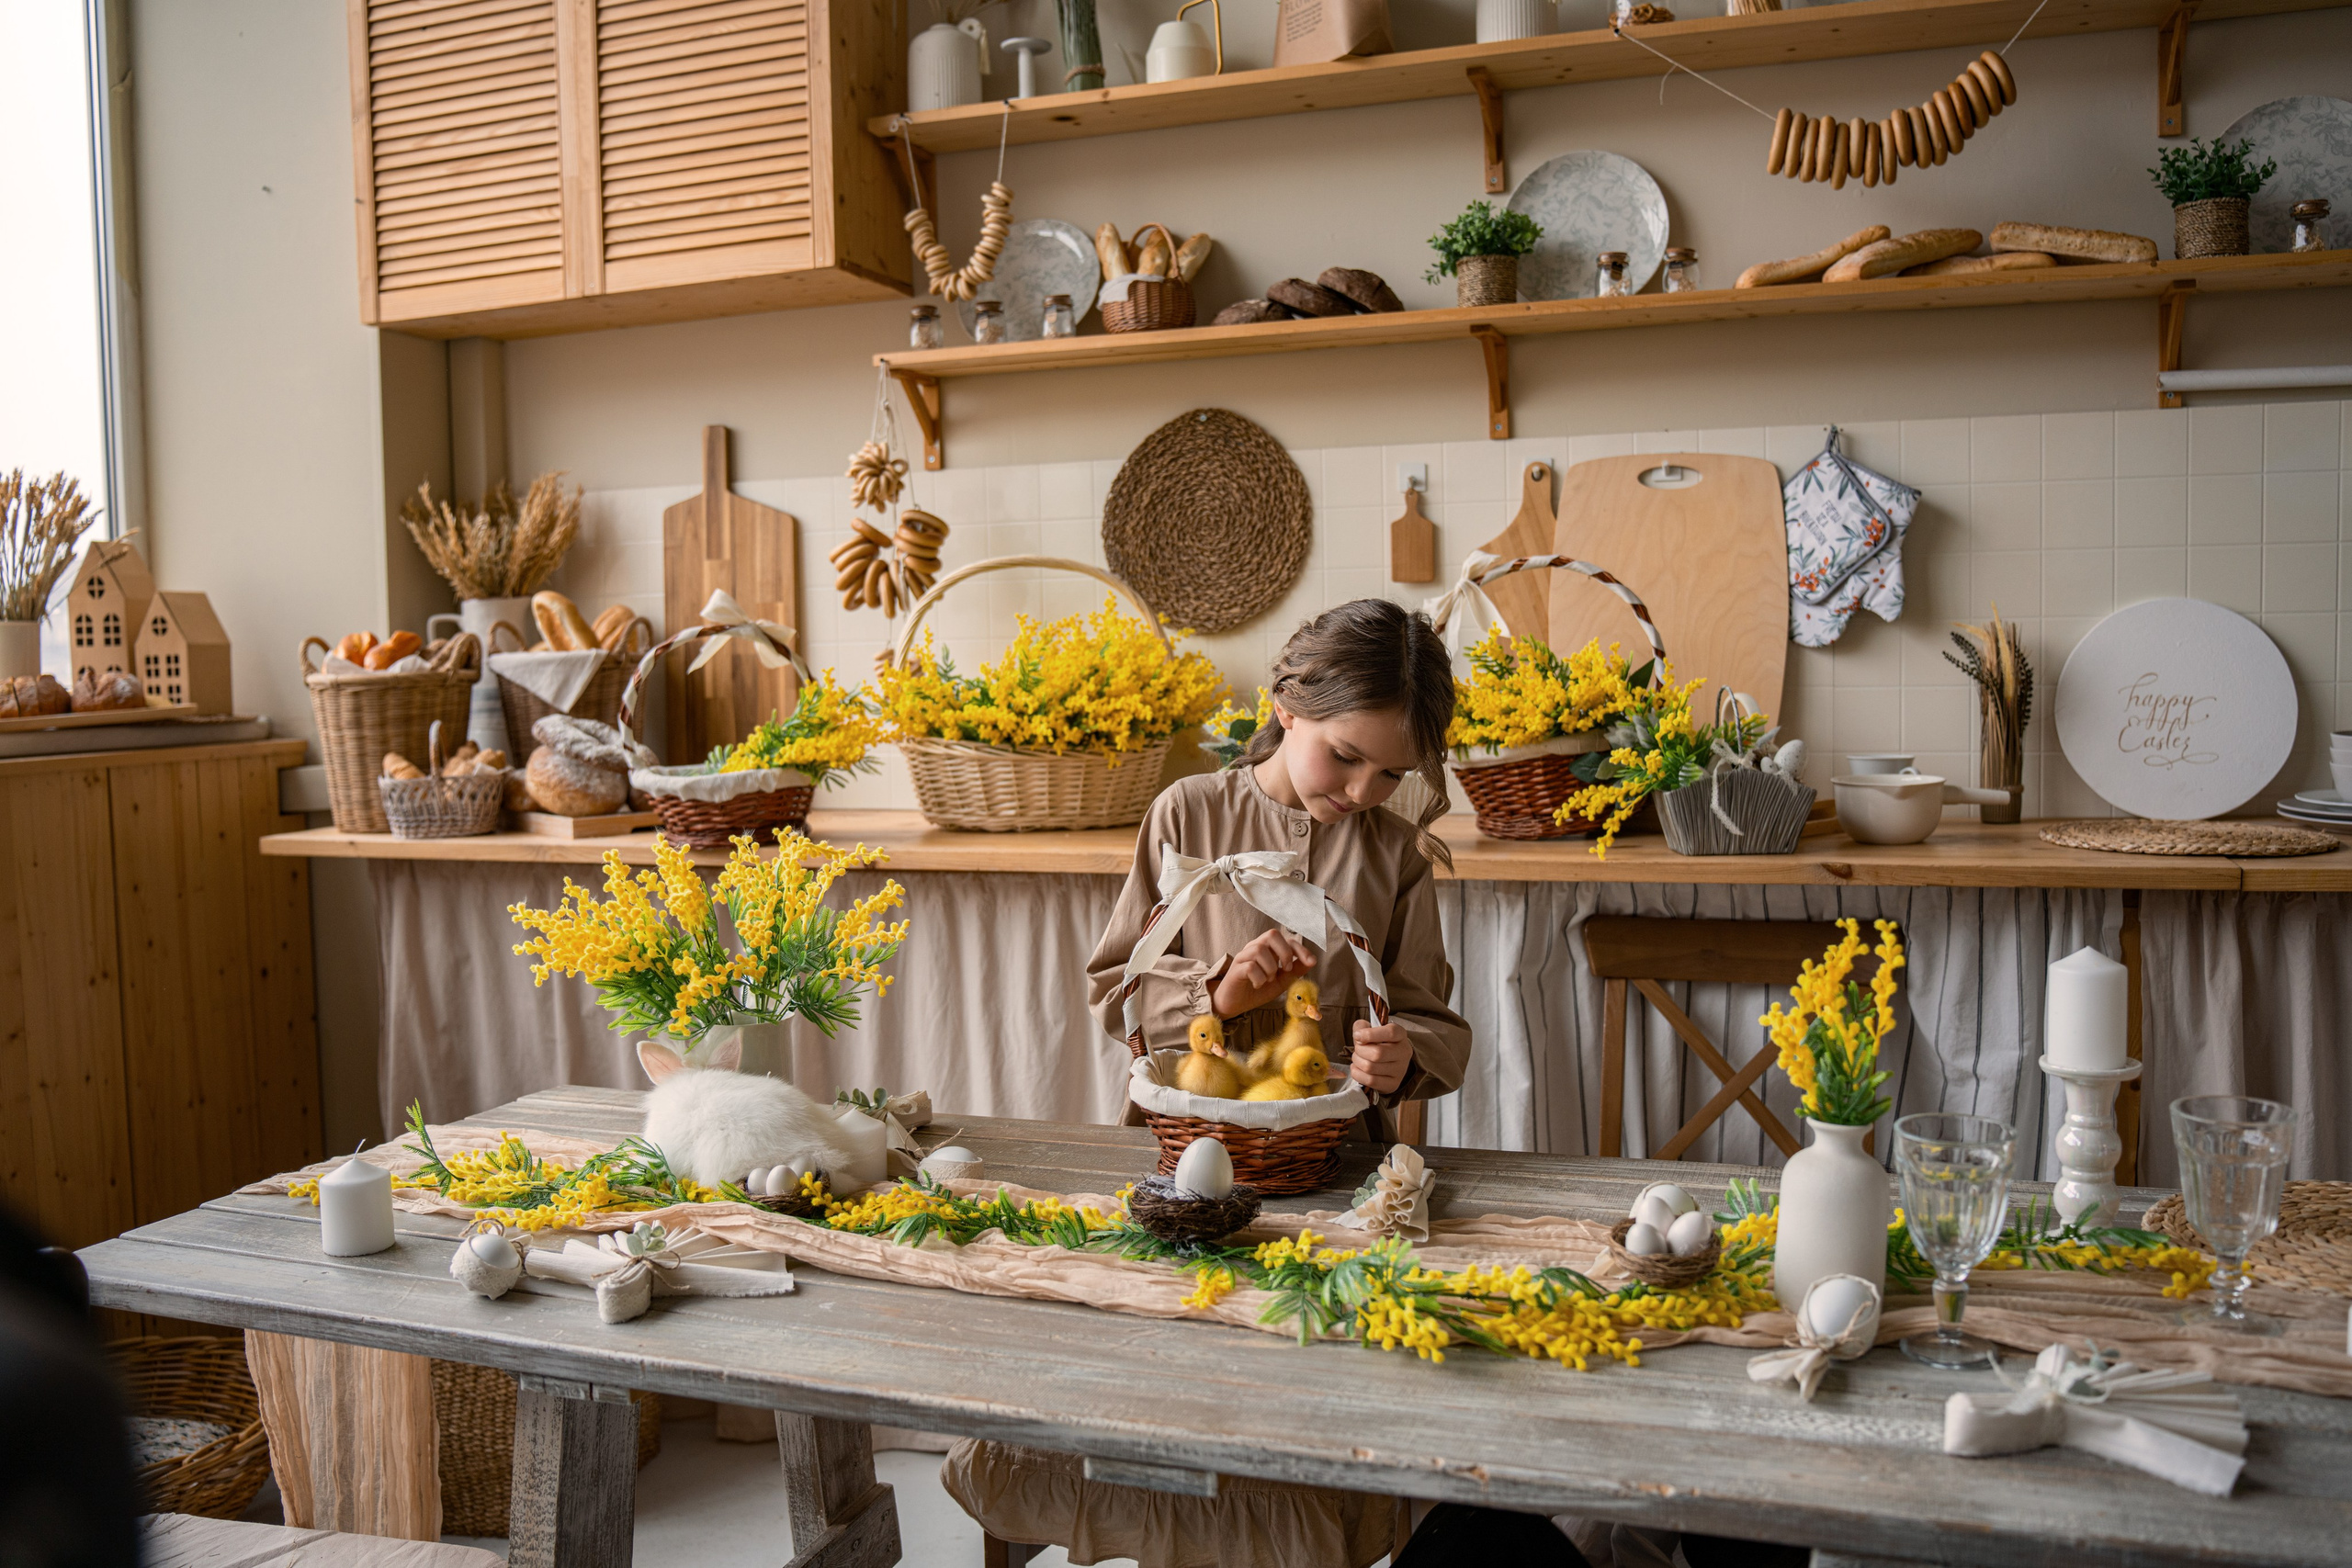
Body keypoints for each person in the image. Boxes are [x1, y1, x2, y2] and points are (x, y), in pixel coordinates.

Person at [1087, 597, 1469, 1109]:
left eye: (1391, 774)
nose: (1361, 791)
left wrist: (1405, 1055)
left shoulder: (1397, 852)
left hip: (1339, 1158)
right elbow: (1115, 988)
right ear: (1285, 707)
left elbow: (1429, 1020)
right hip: (1190, 1147)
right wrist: (1217, 995)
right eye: (1345, 756)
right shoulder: (1187, 812)